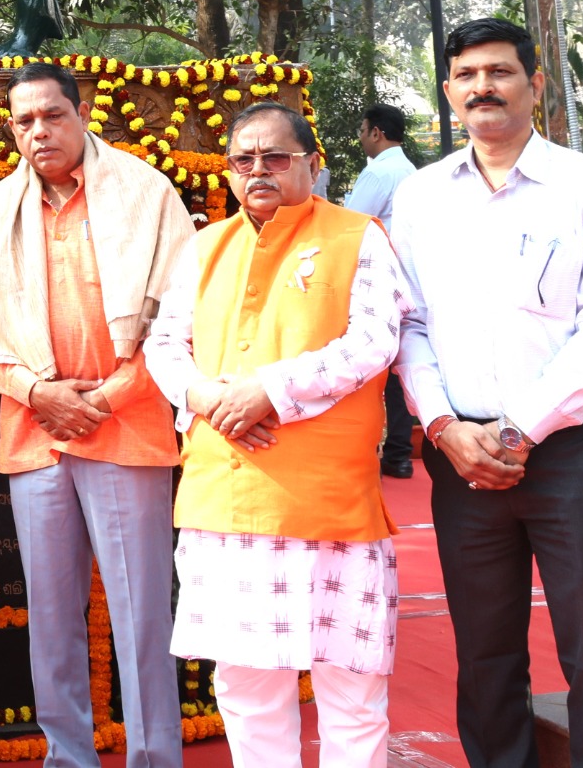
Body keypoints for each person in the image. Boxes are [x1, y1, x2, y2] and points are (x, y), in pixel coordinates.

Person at [390, 17, 583, 768]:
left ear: (535, 84)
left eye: (500, 72)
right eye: (467, 76)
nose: (484, 88)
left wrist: (518, 432)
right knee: (485, 654)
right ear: (448, 91)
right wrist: (443, 426)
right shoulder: (420, 197)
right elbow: (409, 324)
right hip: (461, 458)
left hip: (570, 454)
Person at [145, 103, 409, 768]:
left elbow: (374, 340)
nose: (258, 170)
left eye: (275, 157)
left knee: (351, 686)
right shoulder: (204, 247)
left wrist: (270, 390)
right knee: (246, 689)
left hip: (330, 503)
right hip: (227, 500)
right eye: (244, 159)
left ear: (313, 166)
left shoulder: (358, 236)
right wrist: (207, 397)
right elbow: (164, 344)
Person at [0, 60, 191, 768]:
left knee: (140, 613)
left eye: (52, 115)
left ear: (81, 113)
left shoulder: (147, 194)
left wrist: (105, 398)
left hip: (126, 425)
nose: (39, 131)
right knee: (52, 617)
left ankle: (154, 758)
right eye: (24, 121)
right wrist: (40, 395)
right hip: (37, 431)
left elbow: (180, 320)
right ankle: (68, 757)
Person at [344, 101, 420, 476]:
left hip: (378, 280)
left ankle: (361, 452)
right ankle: (399, 454)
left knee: (368, 363)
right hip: (411, 280)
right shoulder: (413, 172)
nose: (361, 138)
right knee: (400, 366)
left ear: (376, 132)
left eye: (362, 131)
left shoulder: (378, 173)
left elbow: (350, 225)